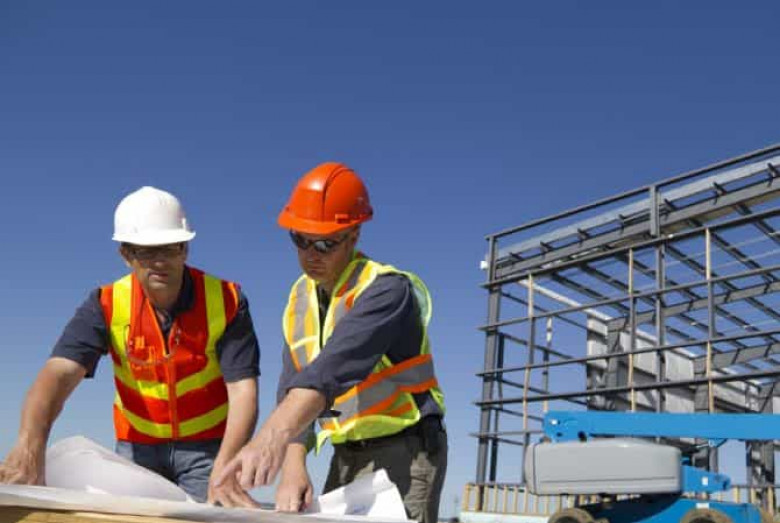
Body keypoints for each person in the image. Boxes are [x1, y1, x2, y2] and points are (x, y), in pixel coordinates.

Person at [0, 186, 260, 507]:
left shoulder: (227, 300)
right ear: (126, 255)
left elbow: (243, 391)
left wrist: (228, 462)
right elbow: (58, 374)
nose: (160, 262)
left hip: (208, 449)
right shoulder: (105, 304)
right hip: (137, 447)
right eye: (146, 251)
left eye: (170, 248)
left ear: (185, 249)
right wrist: (29, 447)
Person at [217, 163, 447, 523]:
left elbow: (330, 370)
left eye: (325, 243)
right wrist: (293, 464)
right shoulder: (300, 299)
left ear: (354, 235)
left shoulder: (387, 290)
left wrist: (270, 438)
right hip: (346, 452)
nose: (311, 254)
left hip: (407, 449)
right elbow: (294, 383)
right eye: (300, 239)